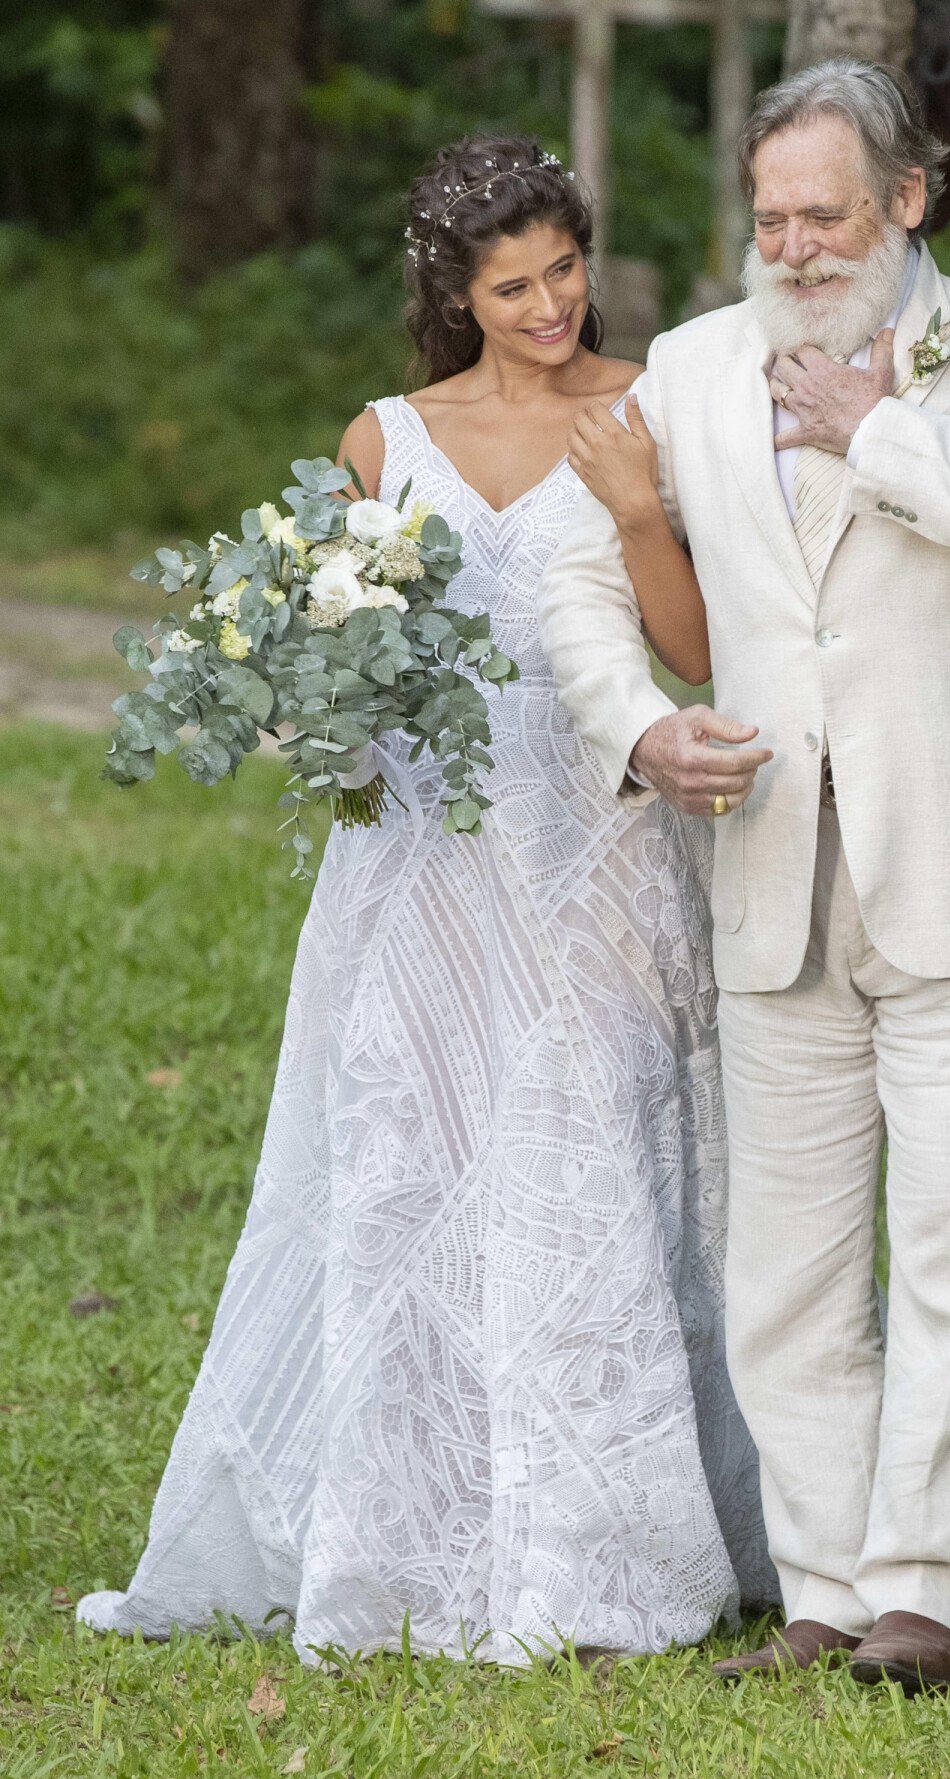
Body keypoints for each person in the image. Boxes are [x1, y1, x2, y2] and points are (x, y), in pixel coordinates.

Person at [77, 133, 774, 1668]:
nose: (549, 308)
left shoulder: (652, 404)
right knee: (417, 1160)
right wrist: (279, 688)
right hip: (419, 859)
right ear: (454, 294)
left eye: (567, 271)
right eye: (513, 285)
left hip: (595, 842)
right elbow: (331, 642)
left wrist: (644, 508)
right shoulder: (388, 438)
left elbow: (698, 648)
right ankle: (407, 1529)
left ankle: (610, 1540)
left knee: (590, 1147)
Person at [537, 61, 950, 1694]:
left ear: (906, 203)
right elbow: (591, 574)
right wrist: (643, 732)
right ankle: (824, 1592)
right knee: (785, 1270)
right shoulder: (698, 368)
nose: (790, 247)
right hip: (773, 871)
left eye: (823, 213)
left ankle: (927, 1601)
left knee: (944, 1245)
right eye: (768, 215)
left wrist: (889, 430)